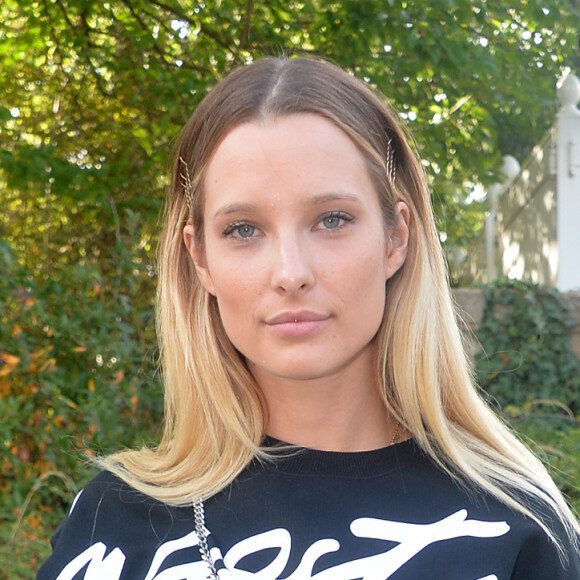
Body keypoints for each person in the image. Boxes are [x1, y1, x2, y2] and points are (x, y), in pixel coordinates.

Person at [37, 56, 580, 580]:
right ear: (200, 259)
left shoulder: (517, 529)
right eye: (243, 229)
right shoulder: (110, 526)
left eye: (332, 219)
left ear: (396, 238)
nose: (290, 273)